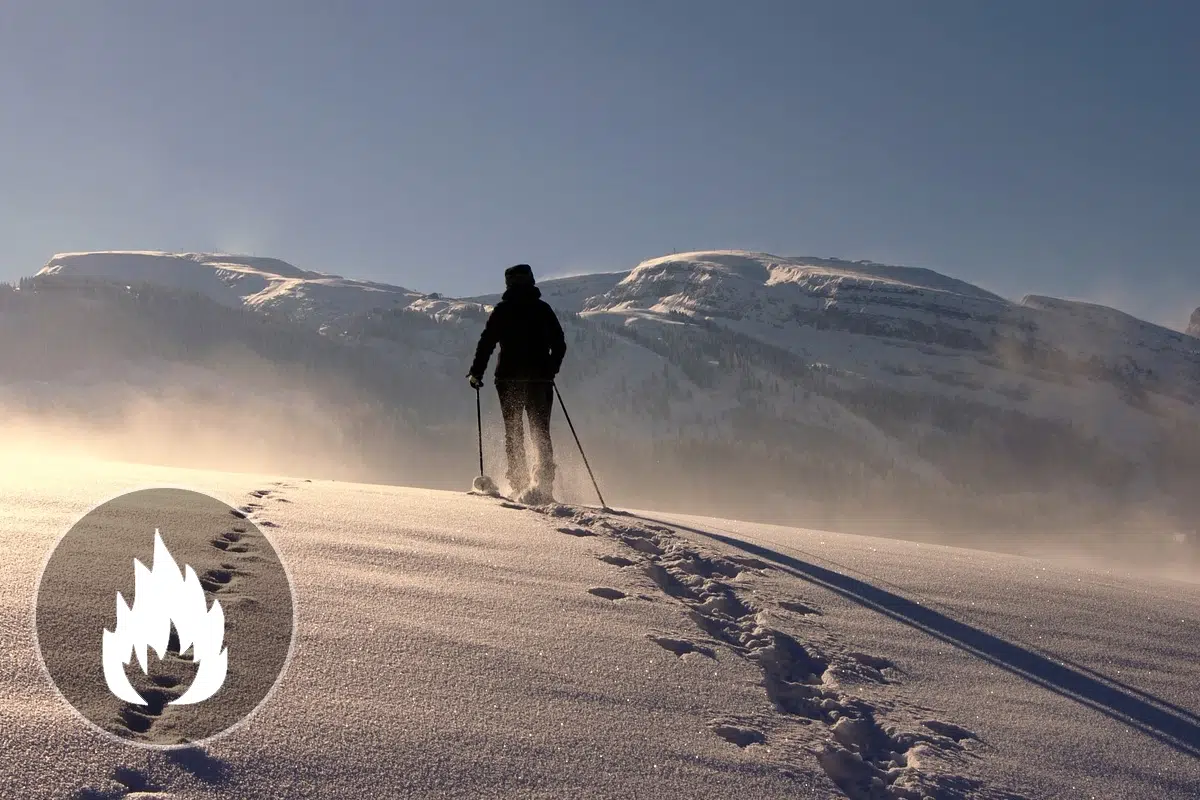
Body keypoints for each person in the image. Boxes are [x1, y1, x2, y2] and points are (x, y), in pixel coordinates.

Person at [468, 264, 567, 503]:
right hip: (539, 381)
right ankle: (544, 487)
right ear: (531, 281)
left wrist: (476, 373)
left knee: (513, 432)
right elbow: (560, 344)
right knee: (540, 432)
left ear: (508, 284)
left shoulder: (502, 310)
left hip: (508, 380)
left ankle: (520, 484)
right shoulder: (543, 310)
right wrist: (550, 370)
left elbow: (487, 343)